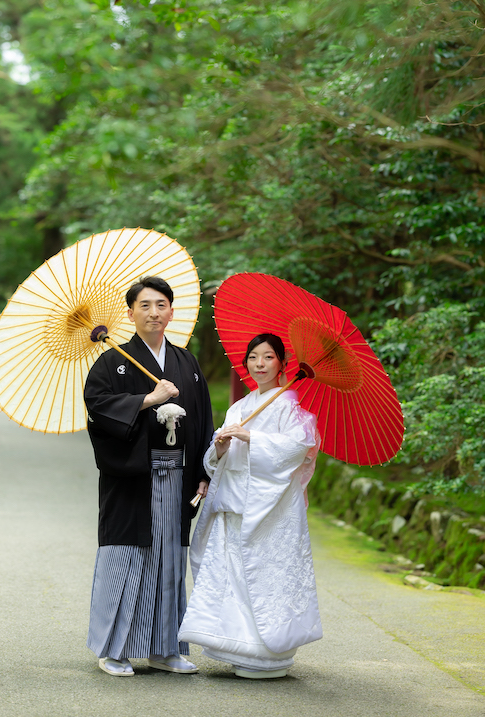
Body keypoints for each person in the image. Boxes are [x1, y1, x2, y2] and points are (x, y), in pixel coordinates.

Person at [84, 276, 213, 677]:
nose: (154, 313)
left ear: (171, 312)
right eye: (145, 306)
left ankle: (165, 648)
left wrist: (203, 471)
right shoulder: (112, 360)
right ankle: (114, 650)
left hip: (177, 477)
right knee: (127, 558)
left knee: (169, 562)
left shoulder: (186, 363)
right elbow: (98, 407)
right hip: (134, 478)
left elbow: (203, 421)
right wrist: (146, 400)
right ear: (130, 313)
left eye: (161, 305)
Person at [178, 333, 322, 679]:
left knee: (263, 575)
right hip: (234, 502)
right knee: (233, 576)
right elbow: (215, 461)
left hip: (270, 509)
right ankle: (235, 646)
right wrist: (221, 447)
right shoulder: (240, 407)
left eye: (268, 357)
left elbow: (298, 446)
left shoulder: (289, 406)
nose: (260, 364)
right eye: (253, 357)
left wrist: (253, 438)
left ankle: (269, 656)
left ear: (281, 364)